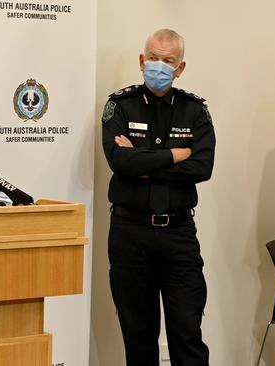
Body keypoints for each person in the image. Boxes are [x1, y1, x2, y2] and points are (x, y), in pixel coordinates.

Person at [101, 29, 215, 366]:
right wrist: (175, 155)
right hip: (129, 234)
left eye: (168, 61)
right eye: (153, 58)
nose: (159, 66)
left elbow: (202, 167)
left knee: (187, 333)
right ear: (141, 60)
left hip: (178, 236)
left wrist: (142, 161)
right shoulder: (119, 104)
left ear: (180, 68)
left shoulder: (195, 110)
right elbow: (118, 160)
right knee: (138, 336)